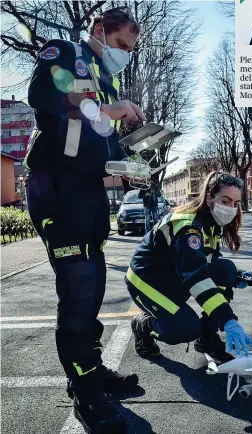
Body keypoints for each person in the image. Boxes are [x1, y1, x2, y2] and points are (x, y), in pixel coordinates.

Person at [24, 8, 146, 434]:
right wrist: (110, 109)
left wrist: (128, 163)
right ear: (99, 30)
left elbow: (92, 143)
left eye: (129, 50)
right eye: (121, 45)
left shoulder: (106, 77)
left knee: (92, 287)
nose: (124, 55)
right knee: (78, 292)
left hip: (90, 194)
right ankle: (86, 393)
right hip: (56, 191)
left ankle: (91, 373)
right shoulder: (66, 53)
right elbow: (41, 96)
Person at [125, 171, 252, 362]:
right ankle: (145, 325)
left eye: (235, 203)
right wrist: (228, 320)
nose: (231, 208)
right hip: (148, 280)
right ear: (210, 197)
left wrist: (235, 275)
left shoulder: (211, 221)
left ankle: (207, 337)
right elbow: (195, 276)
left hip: (174, 273)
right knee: (185, 328)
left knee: (226, 271)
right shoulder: (189, 227)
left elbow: (208, 262)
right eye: (225, 201)